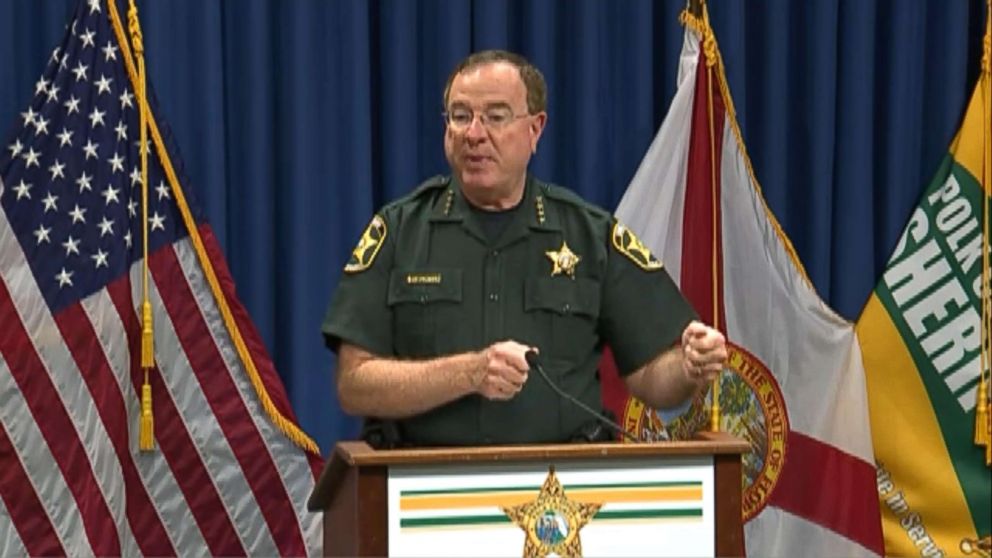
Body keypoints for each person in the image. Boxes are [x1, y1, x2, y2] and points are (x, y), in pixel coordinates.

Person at [322, 49, 727, 446]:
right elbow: (354, 384)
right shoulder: (397, 232)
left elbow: (651, 379)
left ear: (535, 128)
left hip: (562, 497)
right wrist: (471, 372)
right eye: (460, 116)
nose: (474, 134)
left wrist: (689, 368)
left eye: (496, 117)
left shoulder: (588, 235)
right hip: (423, 490)